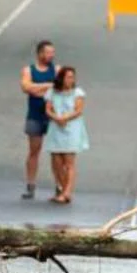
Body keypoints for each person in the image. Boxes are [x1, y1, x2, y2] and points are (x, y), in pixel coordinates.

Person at [43, 65, 88, 204]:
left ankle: (67, 192)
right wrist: (56, 118)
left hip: (72, 128)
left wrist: (65, 118)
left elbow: (79, 110)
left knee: (69, 162)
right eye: (68, 77)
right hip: (56, 128)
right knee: (56, 160)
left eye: (72, 77)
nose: (71, 80)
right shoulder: (52, 92)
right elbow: (48, 109)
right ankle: (62, 188)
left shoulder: (77, 92)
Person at [19, 40, 56, 200]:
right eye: (47, 52)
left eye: (52, 52)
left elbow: (60, 88)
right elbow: (26, 87)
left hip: (53, 115)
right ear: (40, 53)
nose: (50, 55)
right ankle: (31, 184)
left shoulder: (57, 69)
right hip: (35, 114)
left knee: (57, 152)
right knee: (34, 150)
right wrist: (48, 86)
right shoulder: (29, 70)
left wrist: (38, 88)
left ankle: (59, 185)